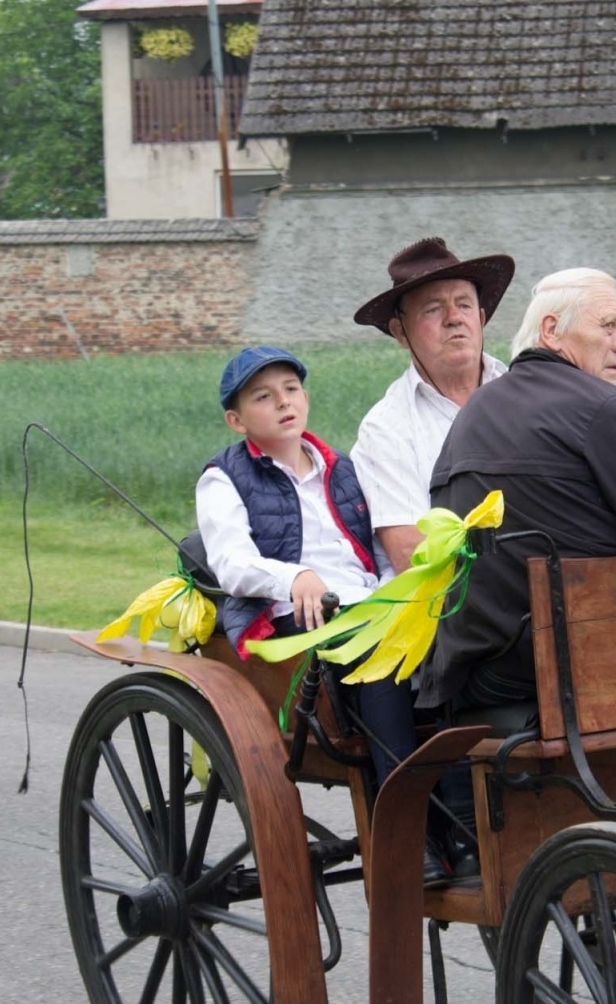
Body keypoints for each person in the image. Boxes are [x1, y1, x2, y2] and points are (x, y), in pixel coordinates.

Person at [420, 268, 616, 713]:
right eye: (609, 326)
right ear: (551, 329)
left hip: (472, 674)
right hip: (560, 664)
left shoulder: (474, 411)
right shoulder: (598, 408)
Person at [196, 345, 446, 880]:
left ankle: (460, 809)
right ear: (236, 419)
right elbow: (232, 563)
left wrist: (395, 593)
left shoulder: (343, 470)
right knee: (378, 661)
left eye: (291, 390)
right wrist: (294, 576)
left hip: (366, 604)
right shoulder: (224, 478)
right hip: (294, 618)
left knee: (457, 638)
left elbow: (376, 548)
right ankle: (404, 834)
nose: (283, 403)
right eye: (263, 397)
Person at [350, 237, 515, 577]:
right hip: (446, 613)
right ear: (400, 331)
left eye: (465, 305)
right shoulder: (386, 428)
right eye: (433, 309)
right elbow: (413, 556)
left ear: (481, 318)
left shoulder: (526, 394)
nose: (454, 318)